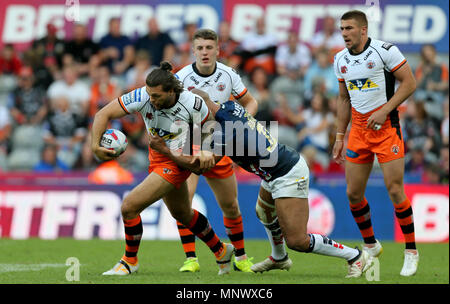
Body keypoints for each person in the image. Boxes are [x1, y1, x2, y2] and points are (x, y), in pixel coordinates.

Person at [149, 90, 371, 278]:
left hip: (287, 172)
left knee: (297, 240)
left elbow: (199, 168)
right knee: (263, 211)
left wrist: (165, 150)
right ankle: (279, 257)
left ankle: (356, 256)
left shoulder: (224, 133)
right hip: (275, 167)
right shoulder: (228, 107)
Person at [92, 62, 235, 276]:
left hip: (176, 161)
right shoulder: (142, 96)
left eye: (157, 96)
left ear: (171, 92)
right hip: (157, 157)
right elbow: (102, 114)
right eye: (150, 95)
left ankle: (129, 261)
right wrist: (95, 146)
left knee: (129, 207)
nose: (151, 100)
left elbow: (211, 127)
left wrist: (205, 150)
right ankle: (221, 250)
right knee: (182, 214)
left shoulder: (192, 103)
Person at [332, 10, 419, 276]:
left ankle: (411, 251)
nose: (344, 33)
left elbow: (410, 83)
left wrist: (384, 110)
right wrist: (339, 136)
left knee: (395, 190)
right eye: (342, 29)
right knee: (353, 193)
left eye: (349, 28)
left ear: (363, 30)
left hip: (386, 129)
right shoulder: (340, 59)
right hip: (359, 132)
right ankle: (371, 244)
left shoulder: (385, 51)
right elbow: (344, 99)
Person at [173, 29, 258, 273]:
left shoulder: (228, 75)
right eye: (200, 48)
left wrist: (238, 124)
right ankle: (191, 258)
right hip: (190, 143)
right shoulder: (182, 78)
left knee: (230, 206)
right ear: (193, 50)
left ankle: (241, 258)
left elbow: (251, 102)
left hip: (219, 144)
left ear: (218, 50)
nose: (204, 52)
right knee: (183, 204)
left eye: (209, 48)